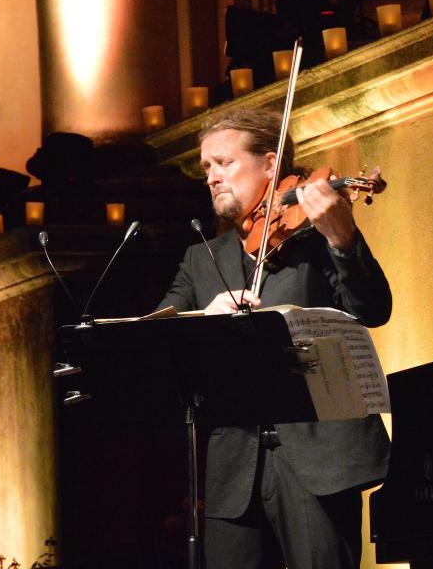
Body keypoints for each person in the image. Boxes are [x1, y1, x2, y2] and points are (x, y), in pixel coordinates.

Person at [156, 108, 392, 569]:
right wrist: (204, 316)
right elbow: (159, 329)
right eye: (206, 168)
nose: (212, 177)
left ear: (270, 165)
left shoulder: (316, 236)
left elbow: (373, 309)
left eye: (224, 163)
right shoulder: (203, 258)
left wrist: (342, 237)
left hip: (319, 458)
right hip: (234, 469)